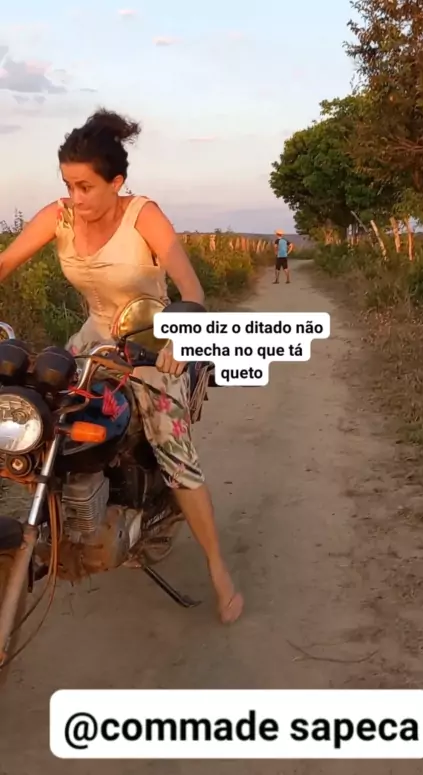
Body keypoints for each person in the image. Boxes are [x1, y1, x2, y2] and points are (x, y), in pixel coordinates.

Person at [0, 108, 243, 624]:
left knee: (174, 453)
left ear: (116, 183)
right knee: (33, 420)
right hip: (92, 342)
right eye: (68, 185)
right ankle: (67, 517)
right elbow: (3, 262)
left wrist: (181, 337)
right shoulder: (59, 217)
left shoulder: (143, 216)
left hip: (152, 342)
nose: (75, 198)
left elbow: (192, 288)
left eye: (86, 187)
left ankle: (219, 571)